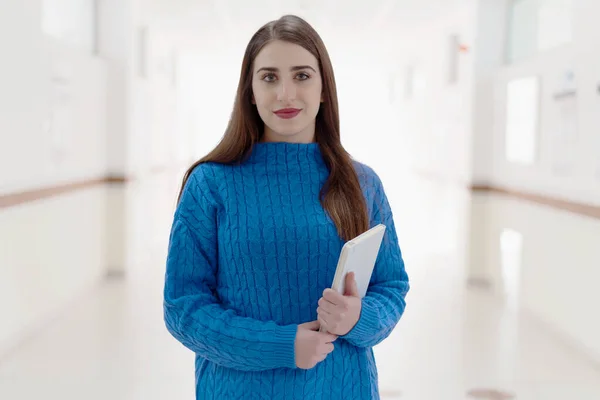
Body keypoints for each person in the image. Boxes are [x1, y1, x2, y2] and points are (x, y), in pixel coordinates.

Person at [163, 14, 409, 400]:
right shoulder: (211, 184)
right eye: (269, 77)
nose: (286, 95)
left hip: (343, 388)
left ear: (324, 88)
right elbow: (183, 308)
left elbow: (391, 288)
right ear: (250, 91)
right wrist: (280, 344)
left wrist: (358, 318)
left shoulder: (362, 183)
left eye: (302, 75)